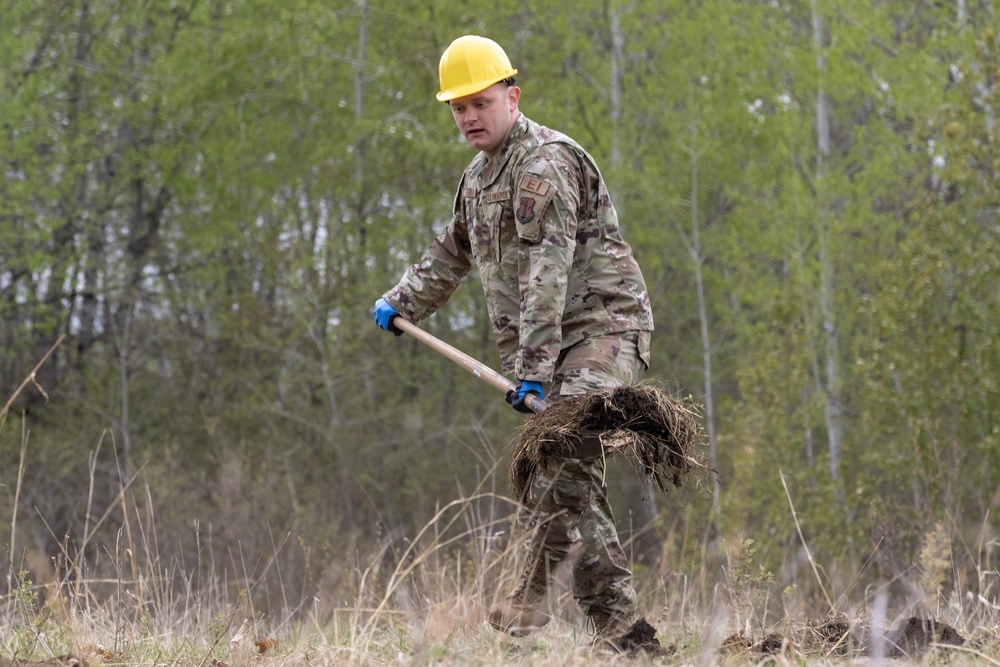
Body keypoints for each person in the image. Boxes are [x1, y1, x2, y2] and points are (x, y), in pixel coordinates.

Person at [372, 35, 660, 653]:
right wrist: (400, 302)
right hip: (549, 347)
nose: (469, 117)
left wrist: (531, 368)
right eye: (458, 108)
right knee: (563, 471)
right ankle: (610, 629)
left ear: (512, 95)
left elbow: (546, 274)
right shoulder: (478, 179)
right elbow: (452, 253)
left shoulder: (543, 166)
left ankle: (564, 612)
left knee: (559, 456)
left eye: (480, 102)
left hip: (604, 330)